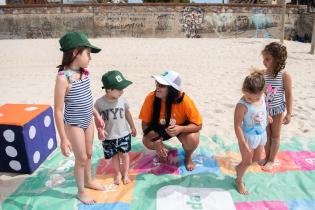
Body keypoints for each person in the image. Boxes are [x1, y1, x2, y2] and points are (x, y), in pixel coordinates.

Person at [54, 32, 105, 204]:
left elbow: (87, 99)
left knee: (89, 153)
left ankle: (89, 181)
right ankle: (81, 191)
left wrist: (96, 115)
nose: (90, 58)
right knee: (81, 157)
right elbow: (59, 110)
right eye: (88, 54)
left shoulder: (85, 73)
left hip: (87, 120)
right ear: (76, 52)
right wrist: (63, 138)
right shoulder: (63, 78)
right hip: (74, 124)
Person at [139, 70, 202, 171]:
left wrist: (181, 128)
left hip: (180, 128)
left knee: (193, 139)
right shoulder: (151, 98)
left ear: (172, 89)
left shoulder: (185, 100)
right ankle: (162, 150)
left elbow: (198, 125)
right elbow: (145, 124)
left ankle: (188, 157)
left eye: (162, 86)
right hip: (160, 128)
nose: (157, 88)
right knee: (147, 141)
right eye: (157, 84)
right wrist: (157, 141)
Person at [95, 70, 137, 185]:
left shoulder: (122, 100)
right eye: (119, 89)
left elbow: (127, 113)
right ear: (109, 90)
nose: (122, 92)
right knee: (114, 156)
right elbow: (97, 118)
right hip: (109, 136)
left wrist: (132, 126)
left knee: (124, 155)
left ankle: (126, 173)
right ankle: (118, 173)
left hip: (123, 134)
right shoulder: (99, 103)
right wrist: (100, 130)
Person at [234, 70, 268, 194]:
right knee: (247, 161)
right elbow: (237, 125)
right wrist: (243, 143)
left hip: (261, 135)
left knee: (257, 159)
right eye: (249, 97)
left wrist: (266, 117)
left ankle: (239, 167)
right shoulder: (242, 105)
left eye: (256, 98)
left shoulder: (262, 98)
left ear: (262, 92)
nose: (252, 101)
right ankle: (238, 180)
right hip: (247, 137)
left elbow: (262, 109)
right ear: (243, 90)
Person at [261, 42, 293, 171]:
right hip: (265, 110)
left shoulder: (284, 75)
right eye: (263, 58)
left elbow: (289, 95)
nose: (264, 61)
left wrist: (289, 113)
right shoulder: (263, 74)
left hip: (278, 110)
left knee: (275, 135)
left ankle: (271, 160)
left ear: (277, 60)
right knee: (266, 134)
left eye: (267, 59)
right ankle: (266, 156)